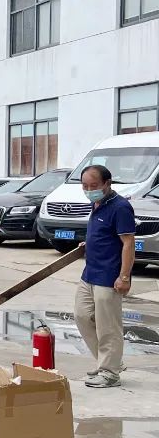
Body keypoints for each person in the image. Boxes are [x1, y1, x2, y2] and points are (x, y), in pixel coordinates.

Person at [76, 164, 136, 388]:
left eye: (93, 186)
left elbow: (128, 243)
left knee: (108, 326)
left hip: (109, 276)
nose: (89, 190)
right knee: (82, 316)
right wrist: (88, 243)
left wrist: (124, 277)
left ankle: (110, 372)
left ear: (107, 184)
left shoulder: (120, 207)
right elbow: (103, 234)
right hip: (89, 273)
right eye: (85, 186)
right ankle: (110, 362)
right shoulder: (97, 204)